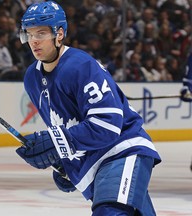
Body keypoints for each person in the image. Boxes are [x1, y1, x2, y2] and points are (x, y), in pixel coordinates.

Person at [15, 1, 161, 216]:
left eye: (41, 33)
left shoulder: (80, 65)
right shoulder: (32, 78)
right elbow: (64, 124)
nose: (34, 41)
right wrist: (66, 163)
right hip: (95, 162)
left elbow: (107, 125)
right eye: (29, 34)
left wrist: (56, 142)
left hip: (121, 150)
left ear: (59, 34)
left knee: (110, 212)